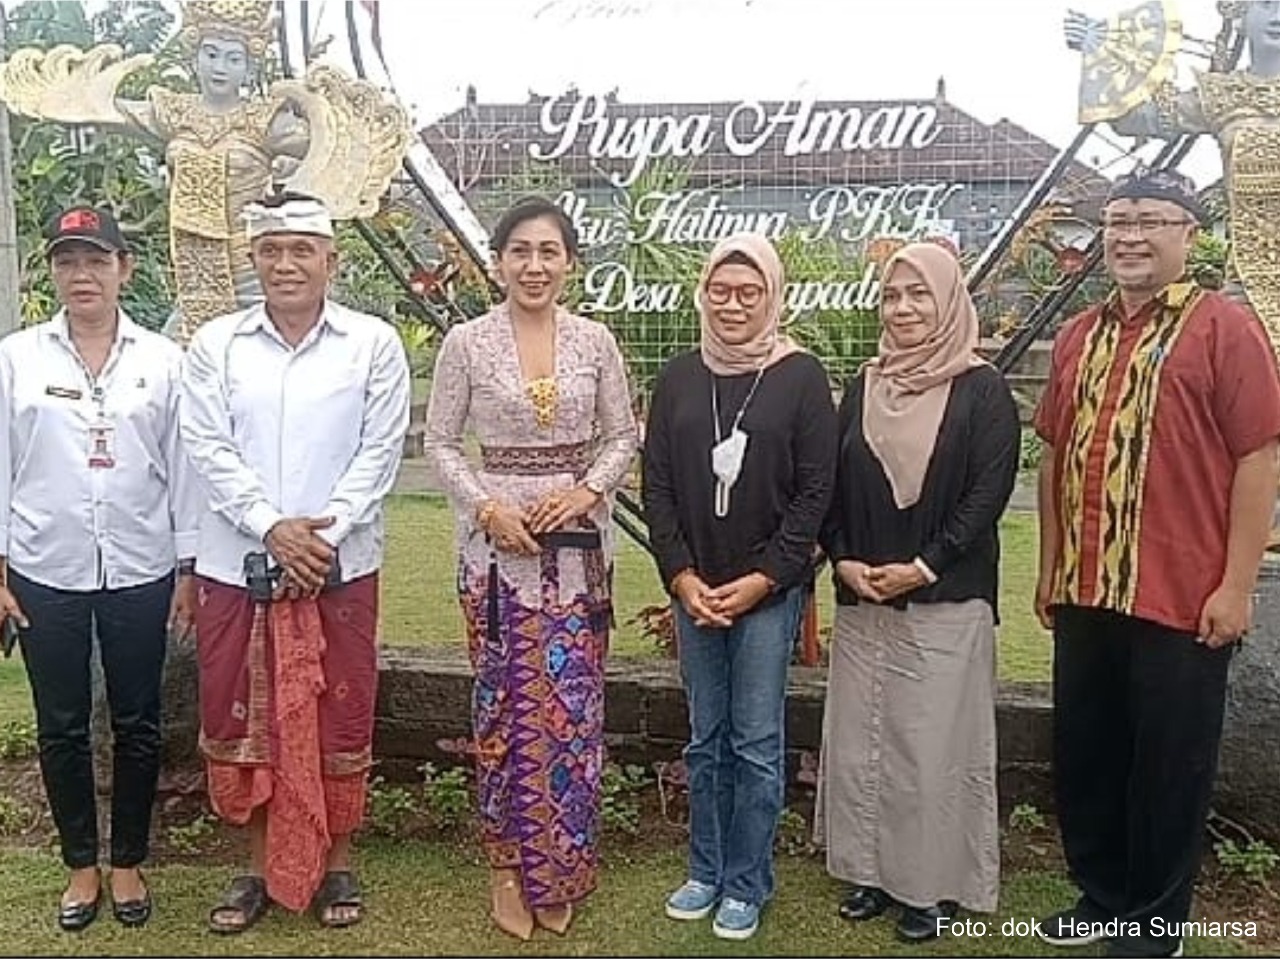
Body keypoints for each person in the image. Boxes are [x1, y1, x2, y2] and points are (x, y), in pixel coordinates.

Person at [1034, 169, 1280, 959]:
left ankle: (1156, 919)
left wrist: (1237, 585)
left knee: (1169, 763)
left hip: (1182, 592)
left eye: (1149, 220)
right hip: (1086, 587)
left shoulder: (1224, 329)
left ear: (1189, 235)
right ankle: (1102, 894)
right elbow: (1053, 453)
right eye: (1117, 221)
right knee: (1089, 751)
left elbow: (1258, 456)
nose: (1129, 236)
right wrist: (1050, 565)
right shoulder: (1078, 334)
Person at [178, 192, 411, 933]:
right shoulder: (216, 344)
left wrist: (320, 536)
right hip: (235, 563)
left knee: (338, 711)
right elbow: (207, 445)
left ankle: (336, 862)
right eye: (271, 249)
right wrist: (271, 526)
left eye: (301, 249)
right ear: (253, 258)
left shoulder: (372, 343)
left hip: (339, 565)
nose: (286, 263)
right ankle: (255, 868)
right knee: (243, 719)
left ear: (330, 260)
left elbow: (380, 450)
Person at [422, 195, 637, 941]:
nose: (534, 265)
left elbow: (622, 435)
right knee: (502, 708)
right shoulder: (466, 343)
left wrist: (586, 491)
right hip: (496, 560)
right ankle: (508, 867)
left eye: (549, 251)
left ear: (570, 262)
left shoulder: (596, 342)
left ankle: (562, 868)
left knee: (572, 711)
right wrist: (487, 509)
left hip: (577, 558)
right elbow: (440, 443)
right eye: (520, 250)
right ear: (498, 261)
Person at [813, 242, 1020, 942]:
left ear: (949, 300)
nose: (902, 309)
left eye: (918, 294)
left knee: (930, 747)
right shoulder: (865, 384)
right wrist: (843, 559)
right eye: (891, 295)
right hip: (865, 594)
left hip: (944, 596)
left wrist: (925, 565)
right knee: (865, 741)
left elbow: (987, 493)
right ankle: (871, 873)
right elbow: (830, 485)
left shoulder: (982, 389)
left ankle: (929, 886)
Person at [0, 205, 199, 931]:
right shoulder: (17, 358)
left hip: (141, 565)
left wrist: (189, 568)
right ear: (52, 272)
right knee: (60, 725)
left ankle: (128, 863)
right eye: (67, 261)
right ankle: (81, 865)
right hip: (43, 565)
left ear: (124, 268)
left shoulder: (164, 362)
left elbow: (184, 469)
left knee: (138, 720)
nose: (81, 274)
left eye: (96, 259)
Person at [0, 1, 410, 344]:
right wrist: (61, 96)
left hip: (253, 271)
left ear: (248, 65)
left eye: (233, 58)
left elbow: (330, 144)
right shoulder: (173, 114)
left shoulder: (263, 121)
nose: (219, 67)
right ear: (194, 56)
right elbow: (112, 112)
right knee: (180, 359)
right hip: (194, 275)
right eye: (210, 54)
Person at [642, 232, 836, 941]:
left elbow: (816, 494)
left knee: (755, 740)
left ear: (772, 296)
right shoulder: (679, 376)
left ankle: (747, 881)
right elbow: (657, 487)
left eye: (749, 292)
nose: (732, 304)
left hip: (767, 592)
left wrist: (763, 580)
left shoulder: (802, 377)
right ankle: (705, 869)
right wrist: (681, 576)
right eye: (720, 291)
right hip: (695, 588)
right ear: (702, 294)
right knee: (705, 739)